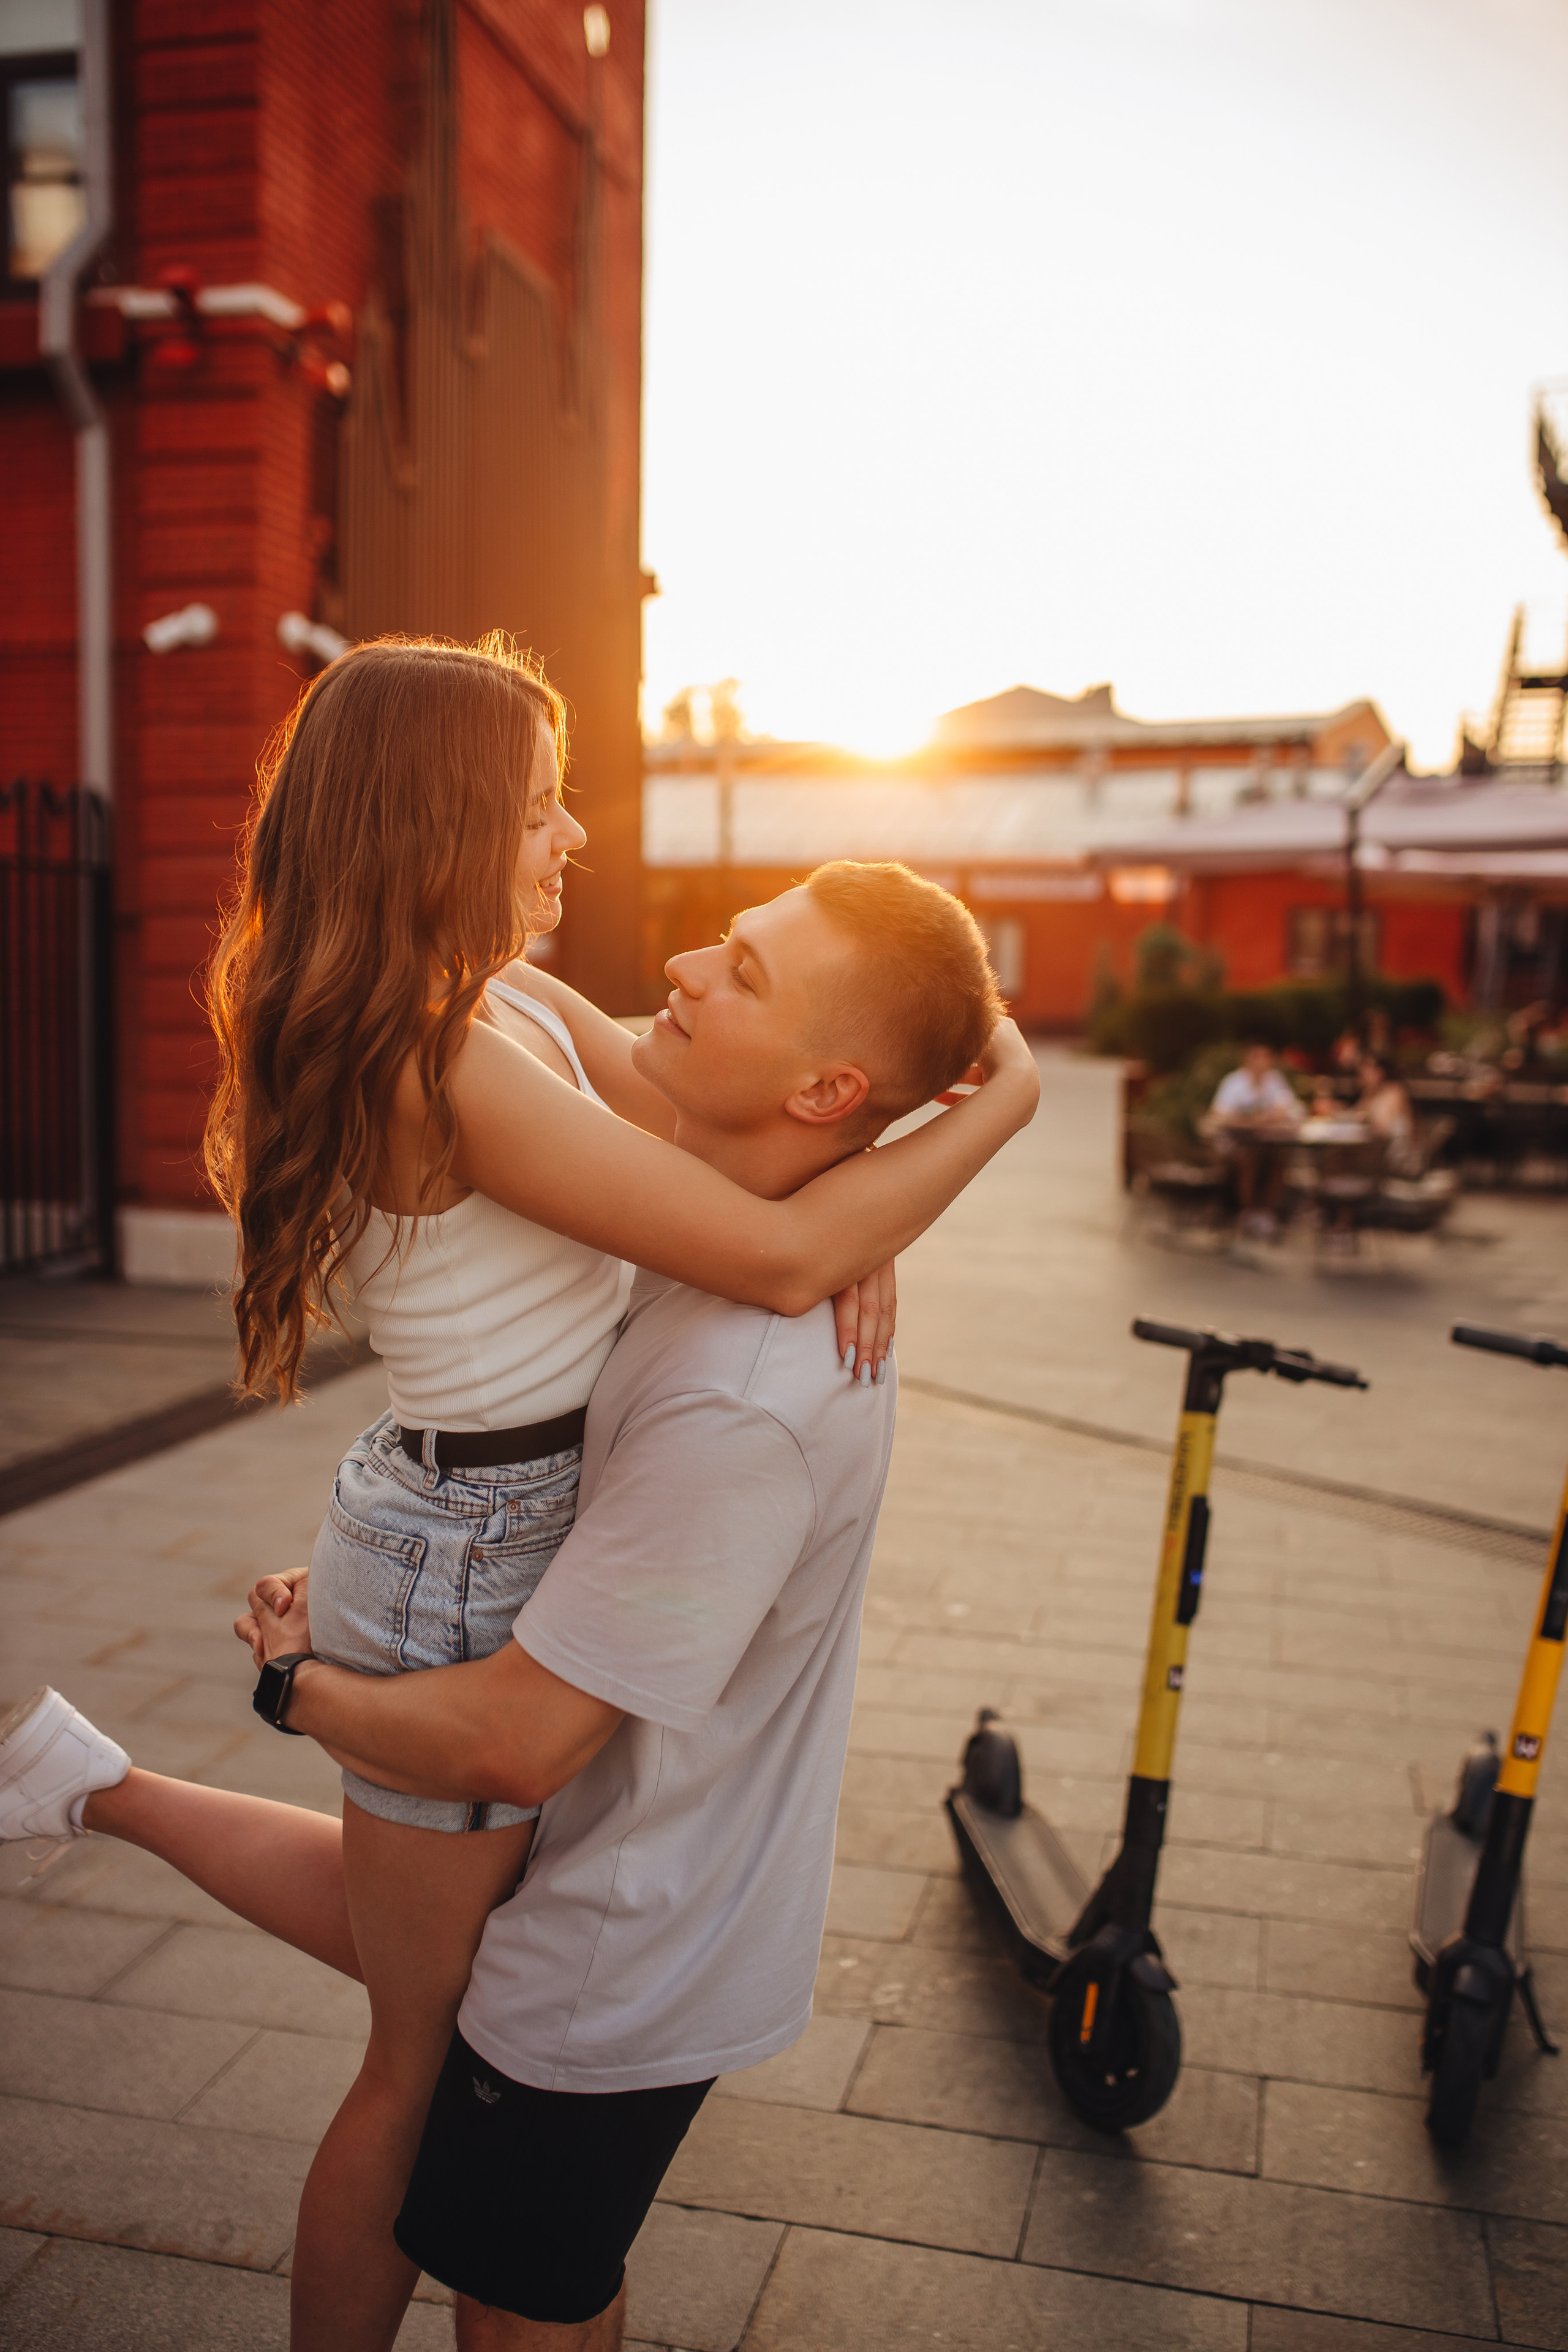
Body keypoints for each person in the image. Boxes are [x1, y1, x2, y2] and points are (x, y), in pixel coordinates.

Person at [0, 857, 1036, 2352]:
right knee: (461, 2084)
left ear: (822, 1087)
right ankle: (102, 1787)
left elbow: (516, 1741)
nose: (679, 961)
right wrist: (934, 1143)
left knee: (473, 2176)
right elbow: (762, 1192)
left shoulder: (740, 1390)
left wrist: (300, 1685)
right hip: (597, 1852)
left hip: (608, 1949)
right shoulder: (689, 1189)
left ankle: (103, 1790)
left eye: (740, 969)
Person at [1204, 1040, 1302, 1234]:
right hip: (1235, 1144)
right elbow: (1218, 1112)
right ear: (1248, 1060)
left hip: (1268, 1142)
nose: (1263, 1063)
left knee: (1280, 1160)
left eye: (1266, 1058)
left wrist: (1277, 1113)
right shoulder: (1233, 1082)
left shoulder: (1275, 1081)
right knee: (1249, 1159)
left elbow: (1293, 1108)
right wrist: (1246, 1117)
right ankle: (1248, 1211)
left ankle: (1265, 1212)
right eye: (1258, 1058)